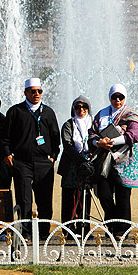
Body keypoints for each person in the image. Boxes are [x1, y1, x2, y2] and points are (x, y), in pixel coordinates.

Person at [0, 78, 60, 240]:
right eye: (32, 91)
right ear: (25, 92)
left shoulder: (48, 112)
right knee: (24, 199)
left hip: (44, 163)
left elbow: (56, 137)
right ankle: (25, 232)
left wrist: (53, 156)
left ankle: (43, 233)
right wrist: (7, 154)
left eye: (39, 91)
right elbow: (5, 137)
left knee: (45, 200)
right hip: (22, 162)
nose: (36, 94)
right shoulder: (15, 111)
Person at [88, 84, 138, 239]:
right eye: (114, 97)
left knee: (123, 196)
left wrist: (111, 140)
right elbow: (91, 133)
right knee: (104, 194)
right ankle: (111, 223)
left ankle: (121, 231)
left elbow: (134, 135)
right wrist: (99, 143)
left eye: (121, 97)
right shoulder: (102, 114)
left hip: (124, 162)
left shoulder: (131, 114)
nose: (117, 100)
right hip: (104, 161)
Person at [57, 96, 93, 239]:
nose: (81, 110)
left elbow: (96, 140)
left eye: (84, 107)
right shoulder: (68, 124)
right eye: (77, 107)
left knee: (85, 196)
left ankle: (84, 228)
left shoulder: (92, 124)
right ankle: (68, 229)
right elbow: (67, 145)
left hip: (88, 164)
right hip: (71, 165)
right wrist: (80, 160)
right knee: (69, 197)